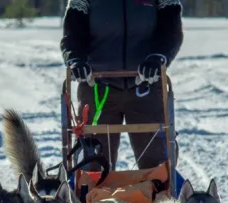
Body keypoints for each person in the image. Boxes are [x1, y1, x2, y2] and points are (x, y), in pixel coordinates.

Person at [60, 0, 184, 172]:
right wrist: (75, 59)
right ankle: (90, 198)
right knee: (92, 165)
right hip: (96, 85)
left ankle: (157, 197)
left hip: (146, 85)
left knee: (157, 164)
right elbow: (72, 34)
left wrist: (158, 57)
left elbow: (171, 31)